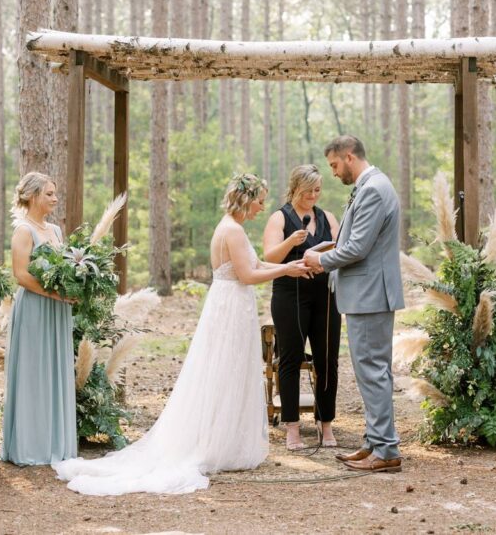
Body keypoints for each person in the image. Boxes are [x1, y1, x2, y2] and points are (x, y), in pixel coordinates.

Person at [54, 174, 310, 495]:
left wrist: (292, 261)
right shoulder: (231, 230)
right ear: (246, 199)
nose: (262, 207)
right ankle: (216, 444)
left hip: (229, 304)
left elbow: (256, 262)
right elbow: (247, 274)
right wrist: (286, 270)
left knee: (228, 372)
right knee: (225, 372)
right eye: (260, 200)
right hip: (231, 306)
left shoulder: (230, 227)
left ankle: (224, 438)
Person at [304, 135, 404, 473]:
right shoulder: (370, 186)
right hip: (366, 295)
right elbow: (354, 239)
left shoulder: (374, 189)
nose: (333, 173)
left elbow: (358, 248)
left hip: (371, 295)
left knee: (373, 371)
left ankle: (386, 451)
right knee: (370, 371)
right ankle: (375, 441)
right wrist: (324, 248)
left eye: (334, 165)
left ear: (349, 157)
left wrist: (321, 262)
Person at [263, 164, 341, 450]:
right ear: (295, 188)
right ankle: (292, 429)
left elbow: (338, 248)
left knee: (327, 359)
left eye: (317, 190)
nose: (313, 196)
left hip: (325, 295)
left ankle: (326, 424)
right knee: (291, 360)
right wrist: (291, 242)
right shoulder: (278, 218)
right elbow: (269, 258)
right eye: (307, 191)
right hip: (289, 294)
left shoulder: (327, 217)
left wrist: (324, 260)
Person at [2, 173, 77, 466]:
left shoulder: (56, 231)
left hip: (57, 310)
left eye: (55, 193)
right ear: (33, 196)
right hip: (35, 307)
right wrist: (56, 295)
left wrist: (72, 289)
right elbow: (21, 274)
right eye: (49, 194)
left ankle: (54, 441)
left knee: (55, 369)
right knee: (34, 371)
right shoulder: (23, 230)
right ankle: (31, 445)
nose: (55, 198)